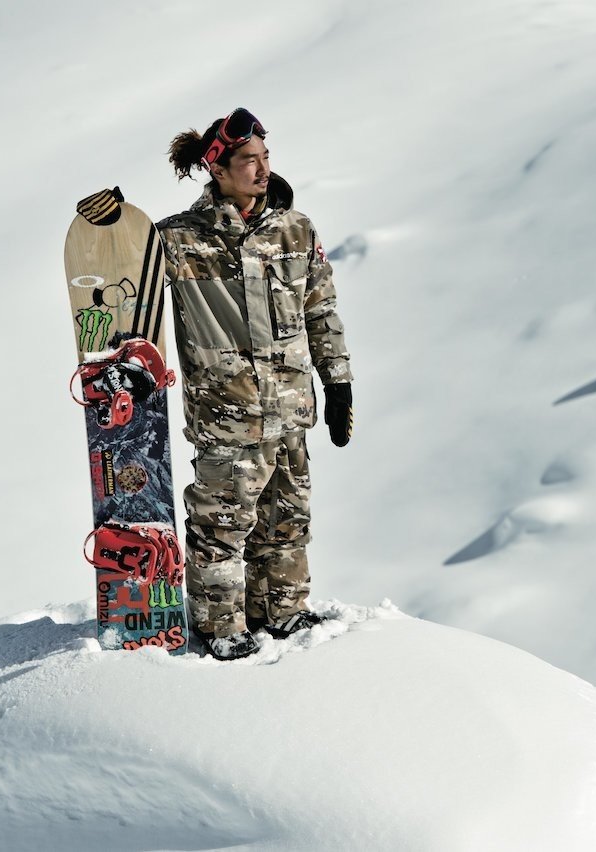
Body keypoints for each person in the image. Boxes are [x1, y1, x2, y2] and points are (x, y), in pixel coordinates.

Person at [157, 107, 354, 660]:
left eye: (266, 158)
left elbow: (322, 310)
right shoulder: (177, 240)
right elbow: (122, 271)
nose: (262, 169)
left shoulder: (295, 230)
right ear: (217, 168)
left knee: (287, 521)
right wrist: (105, 224)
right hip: (227, 415)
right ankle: (222, 627)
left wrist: (337, 382)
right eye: (249, 160)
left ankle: (284, 612)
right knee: (221, 527)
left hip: (290, 409)